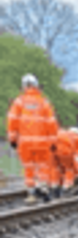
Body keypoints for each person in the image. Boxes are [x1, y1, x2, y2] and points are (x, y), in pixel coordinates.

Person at [5, 74, 58, 202]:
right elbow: (51, 123)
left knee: (29, 167)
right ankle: (44, 188)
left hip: (25, 143)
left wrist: (12, 139)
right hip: (43, 143)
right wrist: (53, 141)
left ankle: (31, 194)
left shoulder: (19, 102)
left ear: (24, 86)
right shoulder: (44, 102)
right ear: (36, 86)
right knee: (43, 166)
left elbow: (12, 122)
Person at [53, 127, 78, 195]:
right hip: (66, 152)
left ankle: (54, 186)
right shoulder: (77, 137)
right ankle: (67, 187)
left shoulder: (62, 132)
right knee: (70, 168)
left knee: (57, 168)